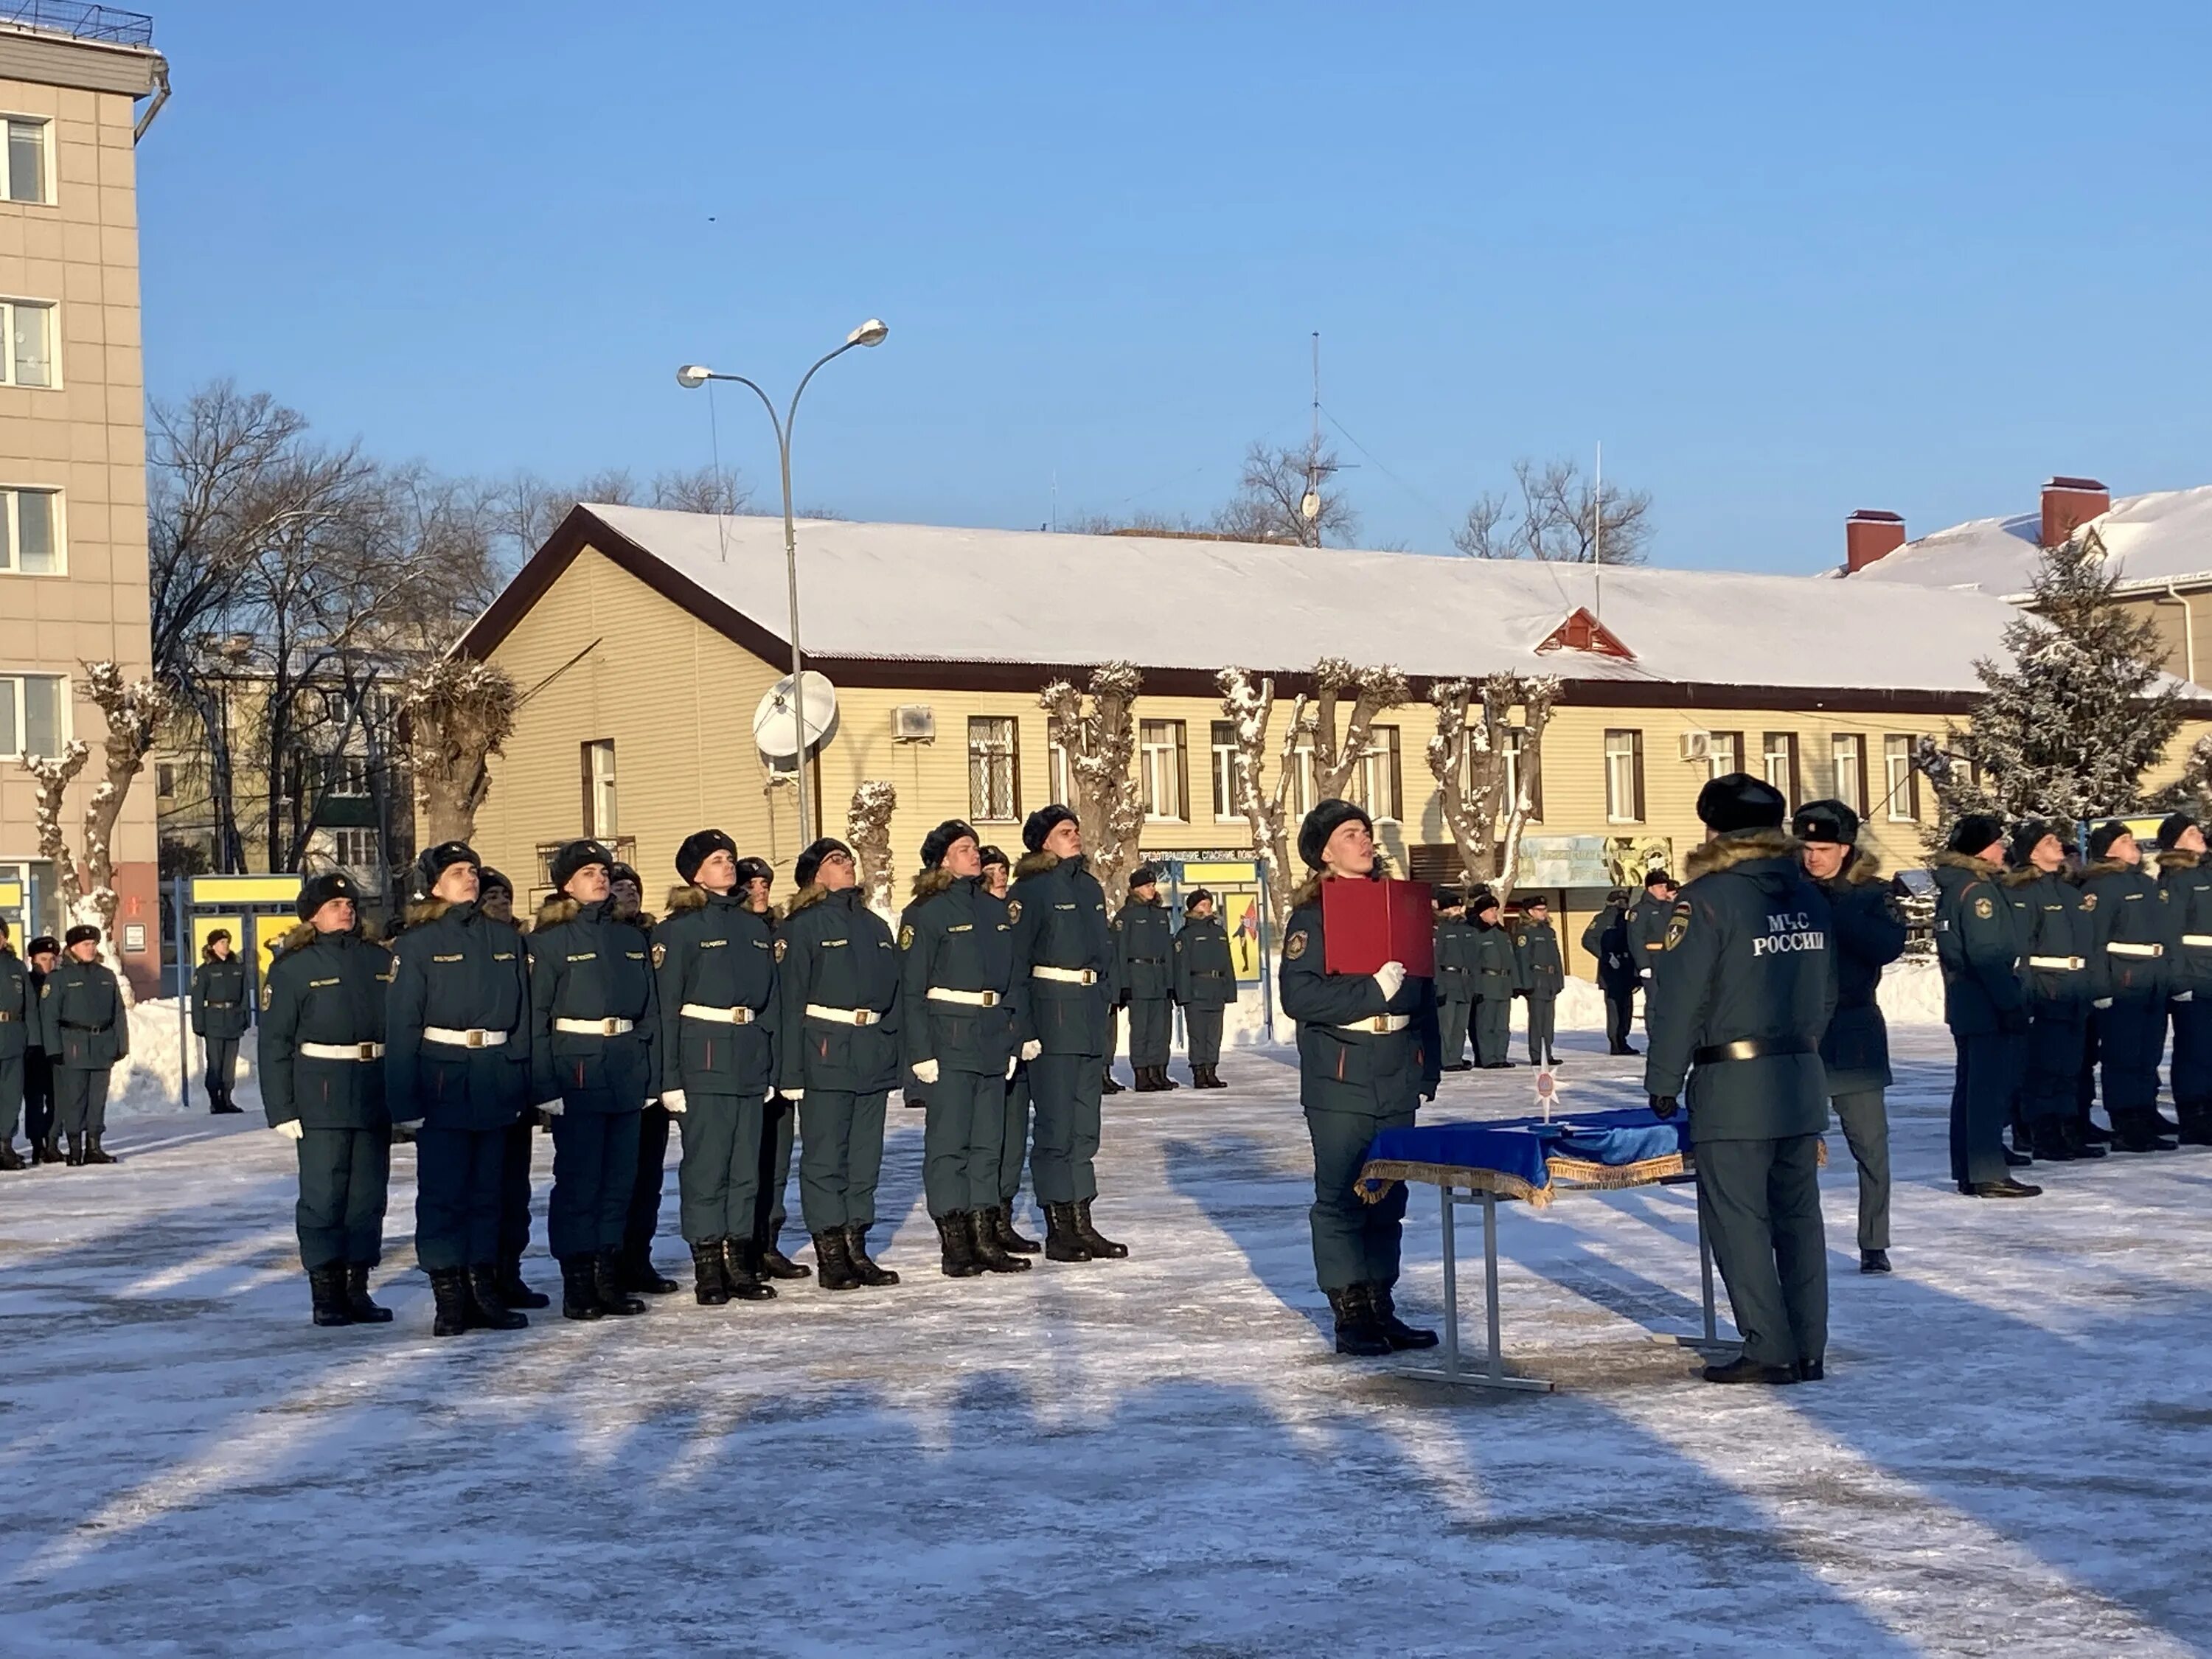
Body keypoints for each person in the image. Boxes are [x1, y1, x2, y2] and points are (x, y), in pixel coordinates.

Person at [1645, 774, 1835, 1385]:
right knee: (1799, 1219)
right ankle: (1809, 1346)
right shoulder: (1809, 896)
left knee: (1740, 1220)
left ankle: (1768, 1346)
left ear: (1714, 830)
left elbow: (1681, 998)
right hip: (1800, 1077)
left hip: (1733, 1083)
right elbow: (1827, 992)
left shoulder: (1706, 899)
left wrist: (1663, 1077)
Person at [1279, 799, 1440, 1357]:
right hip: (1342, 1072)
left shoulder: (1399, 908)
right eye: (1351, 834)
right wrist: (1373, 990)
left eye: (1366, 831)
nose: (1365, 841)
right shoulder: (1313, 917)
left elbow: (1425, 993)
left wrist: (1429, 1062)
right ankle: (1350, 1310)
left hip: (1396, 1069)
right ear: (1325, 853)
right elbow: (1300, 996)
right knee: (1343, 1194)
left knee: (1389, 1194)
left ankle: (1380, 1304)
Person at [386, 840, 533, 1337]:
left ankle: (482, 1289)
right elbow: (402, 1026)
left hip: (494, 1076)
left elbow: (523, 1019)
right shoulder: (417, 944)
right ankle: (449, 1295)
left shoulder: (505, 939)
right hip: (443, 1079)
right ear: (434, 887)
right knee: (445, 1193)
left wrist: (521, 1080)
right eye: (456, 872)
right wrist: (404, 1099)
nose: (469, 877)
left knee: (489, 1193)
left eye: (472, 870)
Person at [528, 839, 662, 1321]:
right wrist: (546, 1085)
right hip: (577, 1070)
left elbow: (650, 1014)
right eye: (589, 873)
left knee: (619, 1181)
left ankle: (609, 1276)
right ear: (566, 885)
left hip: (625, 1069)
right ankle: (579, 1281)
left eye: (604, 872)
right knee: (580, 1181)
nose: (601, 879)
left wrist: (651, 1077)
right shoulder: (550, 942)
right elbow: (536, 1018)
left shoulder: (630, 939)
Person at [260, 872, 395, 1327]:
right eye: (335, 904)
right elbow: (274, 1042)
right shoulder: (294, 967)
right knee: (324, 1195)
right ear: (312, 916)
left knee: (367, 1196)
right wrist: (281, 1108)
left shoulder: (380, 960)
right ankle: (326, 1292)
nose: (346, 910)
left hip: (373, 1087)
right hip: (322, 1093)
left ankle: (357, 1287)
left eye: (350, 903)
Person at [657, 829, 784, 1305]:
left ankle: (738, 1261)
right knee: (708, 1167)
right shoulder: (679, 930)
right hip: (703, 1058)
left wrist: (771, 1067)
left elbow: (770, 1004)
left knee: (746, 1168)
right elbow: (666, 1009)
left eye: (730, 857)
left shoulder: (755, 929)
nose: (728, 865)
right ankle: (708, 1264)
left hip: (748, 1058)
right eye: (716, 860)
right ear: (695, 874)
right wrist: (670, 1078)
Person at [901, 817, 1028, 1279]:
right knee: (949, 1144)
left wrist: (1012, 1037)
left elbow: (1012, 981)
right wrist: (920, 1053)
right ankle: (955, 1242)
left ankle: (984, 1235)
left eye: (975, 847)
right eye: (963, 849)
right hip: (949, 1037)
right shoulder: (925, 913)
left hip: (991, 1037)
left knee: (988, 1144)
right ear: (942, 861)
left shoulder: (995, 911)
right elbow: (911, 989)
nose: (975, 854)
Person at [777, 836, 902, 1285]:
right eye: (836, 860)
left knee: (865, 1159)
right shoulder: (802, 927)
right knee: (826, 1157)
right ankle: (831, 1252)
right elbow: (790, 1002)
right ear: (816, 876)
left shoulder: (875, 926)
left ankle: (856, 1245)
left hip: (871, 1050)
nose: (848, 864)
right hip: (824, 1050)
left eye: (849, 858)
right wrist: (791, 1070)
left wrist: (894, 1051)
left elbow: (895, 995)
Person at [1009, 805, 1127, 1262]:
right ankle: (1059, 1226)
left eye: (1076, 830)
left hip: (1088, 1015)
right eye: (1064, 832)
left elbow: (1104, 951)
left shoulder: (1090, 887)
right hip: (1052, 1016)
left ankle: (1082, 1219)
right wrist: (1025, 1027)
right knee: (1056, 1127)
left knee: (1084, 1129)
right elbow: (1017, 964)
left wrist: (1106, 997)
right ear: (1044, 842)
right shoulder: (1031, 890)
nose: (1075, 836)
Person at [1793, 799, 1905, 1273]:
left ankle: (1874, 1242)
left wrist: (1835, 908)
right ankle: (1797, 1239)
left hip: (1855, 1037)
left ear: (1845, 849)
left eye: (1822, 849)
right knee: (1796, 1150)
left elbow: (1888, 946)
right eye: (1806, 848)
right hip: (1800, 1037)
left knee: (1871, 1147)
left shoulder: (1870, 894)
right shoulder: (1787, 892)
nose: (1812, 858)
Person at [1932, 815, 2041, 1197]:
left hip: (1967, 1002)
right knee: (1987, 1091)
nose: (2002, 849)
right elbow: (1987, 954)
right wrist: (2010, 1003)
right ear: (1979, 850)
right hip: (1985, 1003)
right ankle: (1987, 1171)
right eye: (1996, 843)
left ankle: (1970, 1167)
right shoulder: (1977, 891)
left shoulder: (1956, 885)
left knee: (1971, 1088)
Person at [475, 867, 550, 1310]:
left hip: (517, 1080)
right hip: (481, 1081)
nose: (501, 903)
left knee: (515, 1188)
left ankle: (510, 1271)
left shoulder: (525, 946)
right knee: (484, 1188)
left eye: (506, 895)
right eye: (491, 896)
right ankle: (481, 1276)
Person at [603, 861, 680, 1296]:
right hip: (614, 1071)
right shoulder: (606, 938)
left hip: (652, 1073)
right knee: (615, 1177)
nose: (629, 892)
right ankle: (608, 1263)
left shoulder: (654, 939)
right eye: (619, 886)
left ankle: (638, 1259)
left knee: (648, 1178)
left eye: (633, 886)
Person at [2079, 821, 2177, 1154]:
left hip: (2152, 978)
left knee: (2148, 1053)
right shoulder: (2100, 887)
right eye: (2125, 840)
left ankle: (2144, 1112)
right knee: (2123, 1054)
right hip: (2123, 979)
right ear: (2108, 850)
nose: (2134, 845)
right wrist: (2101, 989)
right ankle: (2126, 1121)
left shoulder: (2145, 882)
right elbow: (2094, 942)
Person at [2008, 819, 2104, 1164]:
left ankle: (2067, 1129)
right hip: (2046, 989)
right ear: (2032, 854)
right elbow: (2020, 951)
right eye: (2048, 841)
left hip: (2075, 990)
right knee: (2044, 1068)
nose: (2057, 845)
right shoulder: (2024, 892)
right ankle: (2043, 1132)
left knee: (2070, 1067)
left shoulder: (2068, 892)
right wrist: (2026, 996)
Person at [740, 856, 810, 1281]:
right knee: (745, 1162)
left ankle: (768, 1242)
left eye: (765, 883)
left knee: (778, 1160)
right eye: (751, 884)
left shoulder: (783, 933)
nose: (760, 890)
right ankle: (742, 1245)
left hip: (783, 1061)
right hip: (746, 1061)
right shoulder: (737, 934)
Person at [981, 844, 1041, 1252]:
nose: (1000, 875)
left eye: (1004, 868)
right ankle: (983, 1220)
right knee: (989, 1137)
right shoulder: (976, 918)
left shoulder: (1015, 915)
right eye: (992, 869)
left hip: (1020, 1034)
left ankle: (1002, 1216)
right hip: (987, 1038)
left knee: (1015, 1135)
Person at [38, 924, 126, 1166]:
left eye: (94, 944)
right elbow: (49, 1017)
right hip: (72, 1045)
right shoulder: (59, 978)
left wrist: (121, 1043)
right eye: (86, 944)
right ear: (73, 947)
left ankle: (94, 1147)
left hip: (102, 1045)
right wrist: (54, 1049)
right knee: (74, 1099)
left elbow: (119, 1012)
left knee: (98, 1099)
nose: (91, 948)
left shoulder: (106, 976)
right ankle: (75, 1148)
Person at [2157, 813, 2212, 1146]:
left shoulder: (2204, 873)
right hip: (2194, 974)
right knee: (2196, 1048)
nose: (2200, 835)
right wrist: (2179, 981)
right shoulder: (2176, 880)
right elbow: (2170, 933)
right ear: (2176, 842)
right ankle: (2194, 1116)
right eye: (2192, 832)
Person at [1117, 864, 1177, 1091]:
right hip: (1138, 977)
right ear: (1135, 889)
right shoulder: (1127, 916)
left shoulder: (1160, 915)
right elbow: (1121, 952)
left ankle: (1157, 1071)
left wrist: (1170, 982)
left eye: (1153, 885)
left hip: (1159, 978)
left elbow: (1168, 951)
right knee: (1141, 1029)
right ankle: (1141, 1073)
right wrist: (1124, 984)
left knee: (1160, 1030)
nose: (1152, 889)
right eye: (1146, 886)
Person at [1174, 887, 1236, 1088]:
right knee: (1198, 1034)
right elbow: (1181, 967)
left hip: (1216, 989)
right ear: (1193, 908)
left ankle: (1211, 1070)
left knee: (1214, 1035)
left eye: (1209, 904)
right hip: (1196, 990)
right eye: (1203, 904)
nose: (1207, 907)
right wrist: (1183, 995)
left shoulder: (1219, 933)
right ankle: (1199, 1072)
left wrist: (1230, 991)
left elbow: (1228, 964)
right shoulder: (1186, 934)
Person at [189, 928, 249, 1116]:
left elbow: (245, 995)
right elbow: (197, 1000)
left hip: (233, 1020)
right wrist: (198, 1025)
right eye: (222, 942)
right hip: (214, 1021)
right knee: (215, 1063)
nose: (226, 945)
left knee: (229, 1064)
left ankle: (227, 1098)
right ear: (213, 946)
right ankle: (215, 1100)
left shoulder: (237, 968)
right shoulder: (205, 970)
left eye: (227, 942)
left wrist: (245, 1018)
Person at [1582, 891, 1640, 1056]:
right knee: (1614, 1008)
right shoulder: (1602, 919)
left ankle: (1623, 1040)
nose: (1625, 904)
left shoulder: (1627, 920)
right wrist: (1606, 956)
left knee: (1626, 1008)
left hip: (1626, 968)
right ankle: (1616, 1043)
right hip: (1611, 970)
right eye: (1622, 901)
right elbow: (1588, 940)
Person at [1467, 891, 1518, 1068]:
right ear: (1481, 913)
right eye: (1491, 910)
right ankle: (1487, 1058)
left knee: (1502, 1026)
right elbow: (1473, 963)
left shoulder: (1502, 933)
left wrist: (1516, 984)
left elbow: (1511, 960)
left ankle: (1500, 1056)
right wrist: (1476, 988)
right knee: (1486, 1024)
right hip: (1486, 983)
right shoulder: (1476, 933)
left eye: (1496, 910)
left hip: (1504, 984)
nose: (1495, 913)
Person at [1514, 897, 1564, 1067]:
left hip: (1550, 980)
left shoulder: (1549, 932)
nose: (1544, 912)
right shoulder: (1525, 932)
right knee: (1537, 1020)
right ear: (1530, 912)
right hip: (1537, 979)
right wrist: (1525, 983)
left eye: (1545, 909)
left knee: (1548, 1021)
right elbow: (1522, 959)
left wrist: (1559, 979)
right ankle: (1536, 1054)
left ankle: (1547, 1053)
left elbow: (1556, 958)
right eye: (1540, 909)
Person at [23, 934, 59, 1164]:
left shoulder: (60, 982)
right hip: (34, 1050)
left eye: (52, 959)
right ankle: (37, 1144)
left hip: (56, 1049)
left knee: (56, 1100)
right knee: (35, 1100)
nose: (49, 963)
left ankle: (52, 1141)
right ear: (32, 960)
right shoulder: (26, 983)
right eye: (43, 959)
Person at [1433, 895, 1476, 1071]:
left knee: (1460, 1025)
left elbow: (1475, 958)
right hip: (1447, 980)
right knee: (1447, 1025)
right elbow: (1435, 959)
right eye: (1453, 908)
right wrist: (1438, 985)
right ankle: (1445, 1059)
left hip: (1465, 982)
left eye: (1459, 908)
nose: (1457, 912)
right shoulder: (1439, 929)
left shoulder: (1467, 929)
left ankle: (1456, 1057)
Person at [1626, 870, 1678, 1009]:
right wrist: (1643, 965)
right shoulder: (1640, 911)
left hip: (1670, 959)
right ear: (1650, 889)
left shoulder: (1670, 908)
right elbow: (1636, 939)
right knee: (1655, 1001)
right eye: (1660, 886)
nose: (1664, 890)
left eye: (1665, 886)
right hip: (1652, 959)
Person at [0, 919, 28, 1169]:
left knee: (11, 1095)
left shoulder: (17, 967)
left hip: (12, 1036)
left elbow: (29, 1006)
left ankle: (5, 1146)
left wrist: (33, 1040)